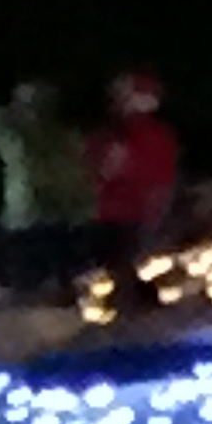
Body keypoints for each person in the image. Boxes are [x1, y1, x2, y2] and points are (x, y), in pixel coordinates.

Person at [0, 80, 95, 295]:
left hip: (57, 220)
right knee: (28, 287)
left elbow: (78, 176)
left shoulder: (62, 137)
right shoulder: (15, 136)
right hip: (27, 220)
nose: (32, 108)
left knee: (64, 287)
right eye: (25, 101)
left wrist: (82, 209)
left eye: (36, 101)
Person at [87, 70, 180, 306]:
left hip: (133, 207)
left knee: (125, 259)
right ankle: (133, 301)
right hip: (116, 208)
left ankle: (135, 302)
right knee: (119, 260)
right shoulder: (115, 133)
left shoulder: (147, 133)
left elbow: (157, 172)